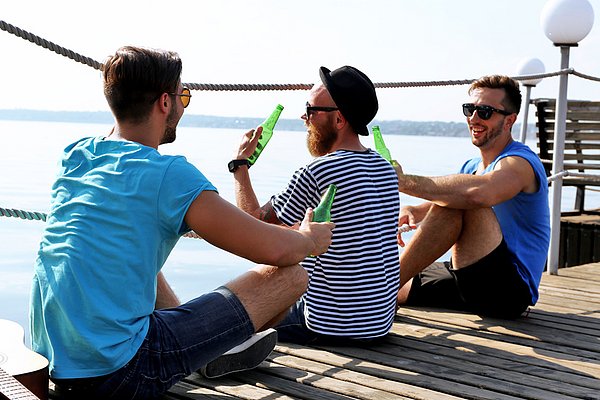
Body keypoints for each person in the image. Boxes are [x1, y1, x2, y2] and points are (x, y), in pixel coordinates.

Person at [29, 46, 334, 400]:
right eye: (183, 96)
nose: (182, 106)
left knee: (132, 252)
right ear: (164, 103)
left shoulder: (76, 155)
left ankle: (211, 352)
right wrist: (310, 239)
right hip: (121, 375)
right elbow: (277, 249)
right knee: (292, 275)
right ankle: (210, 353)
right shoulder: (169, 175)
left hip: (55, 366)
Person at [231, 65, 400, 344]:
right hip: (378, 323)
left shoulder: (318, 172)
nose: (303, 117)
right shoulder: (384, 169)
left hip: (329, 324)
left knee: (270, 275)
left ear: (339, 120)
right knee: (295, 243)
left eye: (311, 110)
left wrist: (240, 166)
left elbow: (253, 229)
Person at [395, 75, 550, 319]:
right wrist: (415, 210)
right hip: (470, 275)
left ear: (510, 120)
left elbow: (477, 194)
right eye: (470, 109)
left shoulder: (521, 163)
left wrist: (403, 181)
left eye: (485, 111)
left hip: (509, 290)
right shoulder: (472, 166)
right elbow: (447, 199)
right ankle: (378, 291)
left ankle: (380, 294)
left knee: (462, 200)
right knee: (400, 288)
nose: (474, 119)